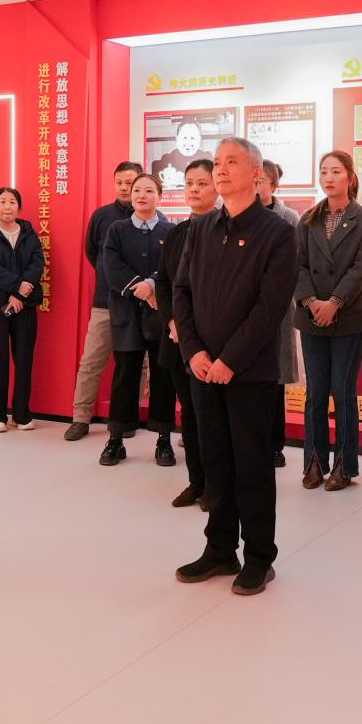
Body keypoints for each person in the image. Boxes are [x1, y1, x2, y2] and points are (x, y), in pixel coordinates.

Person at [173, 137, 298, 596]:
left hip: (249, 372)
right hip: (203, 369)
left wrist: (230, 359)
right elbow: (181, 292)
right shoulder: (202, 228)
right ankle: (220, 550)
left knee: (252, 465)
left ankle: (260, 557)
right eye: (217, 162)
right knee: (216, 463)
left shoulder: (277, 232)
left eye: (232, 162)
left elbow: (271, 307)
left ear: (256, 174)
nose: (220, 169)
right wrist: (194, 352)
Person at [294, 151, 362, 491]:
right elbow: (298, 265)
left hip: (348, 316)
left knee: (343, 392)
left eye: (335, 171)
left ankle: (344, 466)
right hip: (312, 315)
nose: (328, 178)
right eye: (324, 171)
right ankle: (314, 462)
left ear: (350, 178)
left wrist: (334, 303)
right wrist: (312, 302)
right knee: (315, 392)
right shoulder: (308, 218)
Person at [100, 174, 177, 466]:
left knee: (164, 375)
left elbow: (175, 266)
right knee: (125, 374)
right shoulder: (117, 230)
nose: (141, 195)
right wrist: (139, 287)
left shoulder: (171, 230)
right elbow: (110, 266)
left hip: (161, 312)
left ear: (160, 196)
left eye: (148, 190)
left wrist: (152, 283)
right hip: (126, 312)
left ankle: (164, 439)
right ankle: (116, 439)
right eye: (137, 190)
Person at [65, 162, 144, 442]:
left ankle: (128, 418)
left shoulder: (151, 218)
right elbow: (93, 254)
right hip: (105, 301)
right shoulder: (101, 216)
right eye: (119, 182)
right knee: (91, 362)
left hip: (139, 305)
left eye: (130, 183)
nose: (124, 188)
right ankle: (80, 418)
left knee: (136, 365)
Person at [155, 158, 217, 508]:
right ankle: (196, 482)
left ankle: (215, 486)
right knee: (190, 415)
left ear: (217, 187)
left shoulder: (226, 230)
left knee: (211, 418)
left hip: (209, 343)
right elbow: (164, 284)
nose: (194, 189)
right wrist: (172, 323)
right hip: (178, 340)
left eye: (202, 183)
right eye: (189, 183)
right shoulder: (176, 233)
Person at [0, 187, 44, 433]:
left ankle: (21, 414)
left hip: (25, 304)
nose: (7, 206)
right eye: (2, 202)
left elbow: (37, 262)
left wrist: (21, 293)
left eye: (12, 202)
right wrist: (16, 287)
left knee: (24, 358)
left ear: (19, 207)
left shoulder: (28, 232)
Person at [257, 159, 300, 467]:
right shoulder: (233, 214)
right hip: (243, 309)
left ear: (273, 186)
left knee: (275, 381)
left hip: (279, 310)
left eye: (261, 181)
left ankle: (274, 445)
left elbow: (295, 265)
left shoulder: (289, 218)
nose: (255, 186)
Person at [152, 119, 213, 190]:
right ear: (177, 139)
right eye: (184, 138)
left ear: (199, 140)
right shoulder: (166, 159)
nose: (188, 143)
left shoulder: (207, 158)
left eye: (192, 138)